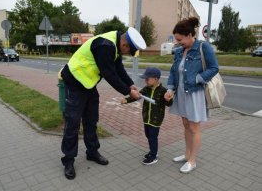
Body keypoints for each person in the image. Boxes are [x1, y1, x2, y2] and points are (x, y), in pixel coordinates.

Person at [59, 27, 146, 180]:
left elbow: (118, 68)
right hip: (74, 82)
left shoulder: (115, 44)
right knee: (73, 122)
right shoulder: (105, 46)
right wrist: (127, 91)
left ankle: (92, 152)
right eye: (128, 52)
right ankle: (68, 160)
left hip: (88, 84)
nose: (126, 54)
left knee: (91, 120)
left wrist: (130, 84)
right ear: (125, 45)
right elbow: (109, 74)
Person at [164, 17, 219, 173]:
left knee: (194, 127)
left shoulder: (203, 47)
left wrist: (197, 79)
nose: (178, 42)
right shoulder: (179, 51)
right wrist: (170, 89)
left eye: (180, 39)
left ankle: (193, 161)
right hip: (181, 94)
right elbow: (173, 72)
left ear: (189, 34)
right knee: (186, 125)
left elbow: (214, 68)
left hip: (194, 93)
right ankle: (187, 154)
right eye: (176, 40)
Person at [121, 67, 173, 165]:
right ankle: (152, 151)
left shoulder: (163, 91)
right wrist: (127, 100)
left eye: (147, 79)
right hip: (146, 118)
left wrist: (169, 99)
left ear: (156, 79)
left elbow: (169, 104)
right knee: (148, 136)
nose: (145, 81)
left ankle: (154, 156)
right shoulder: (147, 89)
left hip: (156, 120)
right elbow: (137, 96)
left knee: (153, 137)